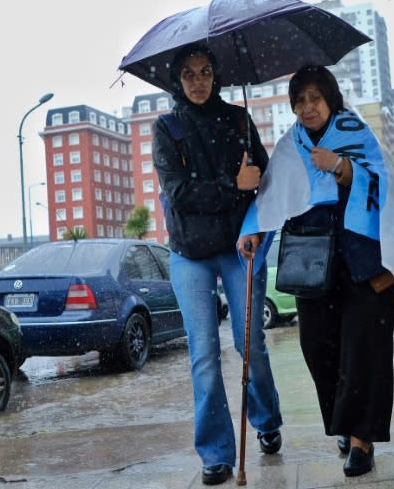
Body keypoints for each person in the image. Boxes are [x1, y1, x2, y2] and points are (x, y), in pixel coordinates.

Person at [239, 65, 394, 477]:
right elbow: (272, 197)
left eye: (315, 98)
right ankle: (344, 419)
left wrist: (342, 167)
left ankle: (362, 439)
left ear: (331, 99)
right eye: (299, 100)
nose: (307, 107)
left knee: (365, 349)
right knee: (318, 347)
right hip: (313, 260)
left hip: (363, 261)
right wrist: (251, 232)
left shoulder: (355, 131)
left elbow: (385, 185)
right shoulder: (290, 146)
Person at [152, 43, 283, 486]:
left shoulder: (238, 121)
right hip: (189, 254)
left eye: (205, 71)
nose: (198, 80)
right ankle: (216, 453)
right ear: (177, 79)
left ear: (216, 76)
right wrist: (233, 184)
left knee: (250, 344)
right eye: (188, 74)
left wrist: (253, 191)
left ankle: (266, 420)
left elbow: (263, 185)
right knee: (204, 353)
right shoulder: (166, 128)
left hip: (239, 247)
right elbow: (181, 195)